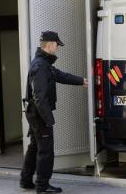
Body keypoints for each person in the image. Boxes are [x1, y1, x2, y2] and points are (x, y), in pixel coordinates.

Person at [20, 31, 88, 193]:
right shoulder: (40, 66)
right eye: (57, 45)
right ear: (50, 44)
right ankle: (42, 186)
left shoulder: (43, 63)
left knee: (35, 147)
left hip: (35, 112)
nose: (57, 48)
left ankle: (26, 180)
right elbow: (40, 97)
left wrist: (81, 81)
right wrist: (48, 119)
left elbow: (58, 75)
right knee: (46, 150)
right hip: (39, 114)